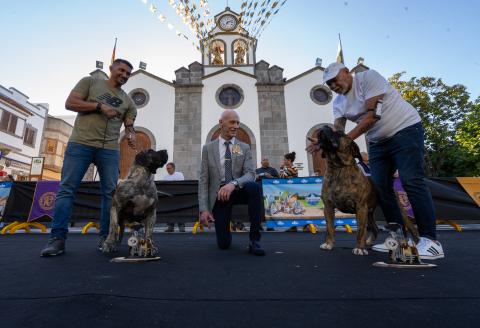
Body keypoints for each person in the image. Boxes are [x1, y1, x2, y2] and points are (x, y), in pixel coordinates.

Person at [312, 62, 444, 260]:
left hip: (405, 130)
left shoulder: (368, 78)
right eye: (329, 84)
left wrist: (345, 140)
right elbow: (338, 132)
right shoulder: (338, 102)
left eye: (334, 80)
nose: (333, 86)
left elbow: (373, 115)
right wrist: (325, 143)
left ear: (347, 72)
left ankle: (430, 241)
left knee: (411, 180)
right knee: (381, 187)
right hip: (377, 142)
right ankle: (399, 239)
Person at [40, 59, 137, 257]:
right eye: (121, 70)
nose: (124, 75)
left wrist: (131, 135)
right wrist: (99, 107)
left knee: (110, 194)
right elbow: (70, 103)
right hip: (80, 144)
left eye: (128, 73)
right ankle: (57, 239)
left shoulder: (128, 102)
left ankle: (106, 238)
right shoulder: (90, 82)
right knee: (67, 190)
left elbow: (129, 126)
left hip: (109, 150)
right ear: (111, 69)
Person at [198, 110, 265, 256]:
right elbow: (204, 180)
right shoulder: (208, 149)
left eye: (238, 123)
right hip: (219, 195)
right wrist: (204, 209)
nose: (236, 126)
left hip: (238, 188)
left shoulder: (244, 147)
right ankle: (225, 235)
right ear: (221, 123)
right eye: (232, 122)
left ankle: (255, 240)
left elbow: (250, 174)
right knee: (223, 244)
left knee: (255, 187)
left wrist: (233, 184)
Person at [162, 162, 186, 232]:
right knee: (169, 212)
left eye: (169, 168)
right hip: (169, 198)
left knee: (180, 212)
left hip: (178, 197)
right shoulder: (165, 177)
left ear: (173, 168)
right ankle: (170, 226)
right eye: (167, 169)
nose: (168, 170)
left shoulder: (179, 175)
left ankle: (181, 226)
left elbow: (181, 185)